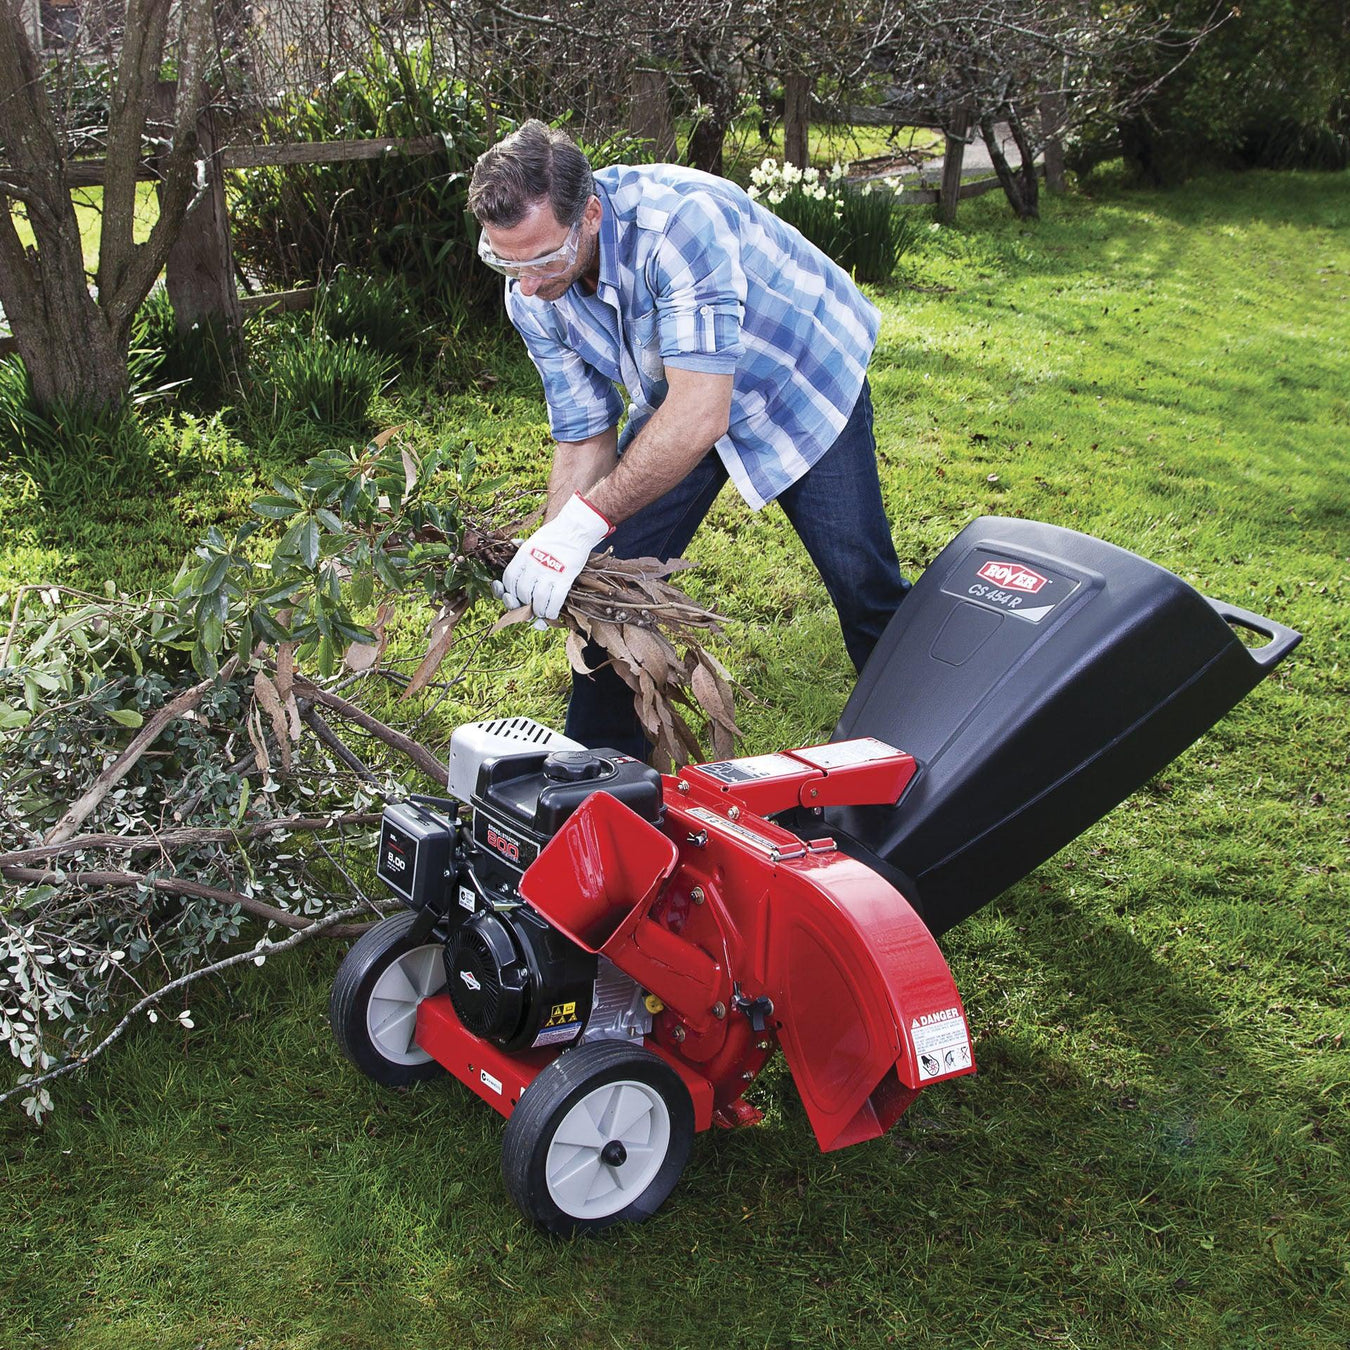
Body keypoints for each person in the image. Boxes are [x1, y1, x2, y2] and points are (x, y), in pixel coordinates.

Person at [468, 120, 909, 759]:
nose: (525, 283)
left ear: (589, 214)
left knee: (861, 579)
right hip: (684, 392)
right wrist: (558, 543)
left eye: (540, 259)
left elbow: (702, 414)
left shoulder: (679, 226)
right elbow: (584, 432)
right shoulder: (530, 291)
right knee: (611, 582)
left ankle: (926, 747)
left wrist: (582, 523)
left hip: (795, 371)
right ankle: (599, 774)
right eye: (504, 259)